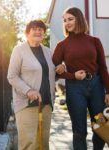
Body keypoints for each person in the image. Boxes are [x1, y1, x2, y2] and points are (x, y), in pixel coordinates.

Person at [52, 7, 109, 150]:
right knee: (79, 131)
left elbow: (103, 67)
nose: (67, 23)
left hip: (96, 86)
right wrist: (71, 75)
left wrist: (108, 90)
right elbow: (54, 71)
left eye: (70, 19)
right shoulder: (62, 45)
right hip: (75, 88)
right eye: (64, 20)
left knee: (101, 127)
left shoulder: (95, 41)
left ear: (79, 19)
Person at [7, 20, 56, 150]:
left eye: (41, 29)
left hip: (46, 103)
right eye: (34, 29)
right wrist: (28, 91)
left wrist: (60, 68)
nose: (38, 31)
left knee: (43, 144)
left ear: (44, 34)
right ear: (27, 33)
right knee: (29, 144)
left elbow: (50, 75)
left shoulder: (48, 52)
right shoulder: (19, 50)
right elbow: (12, 76)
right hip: (26, 104)